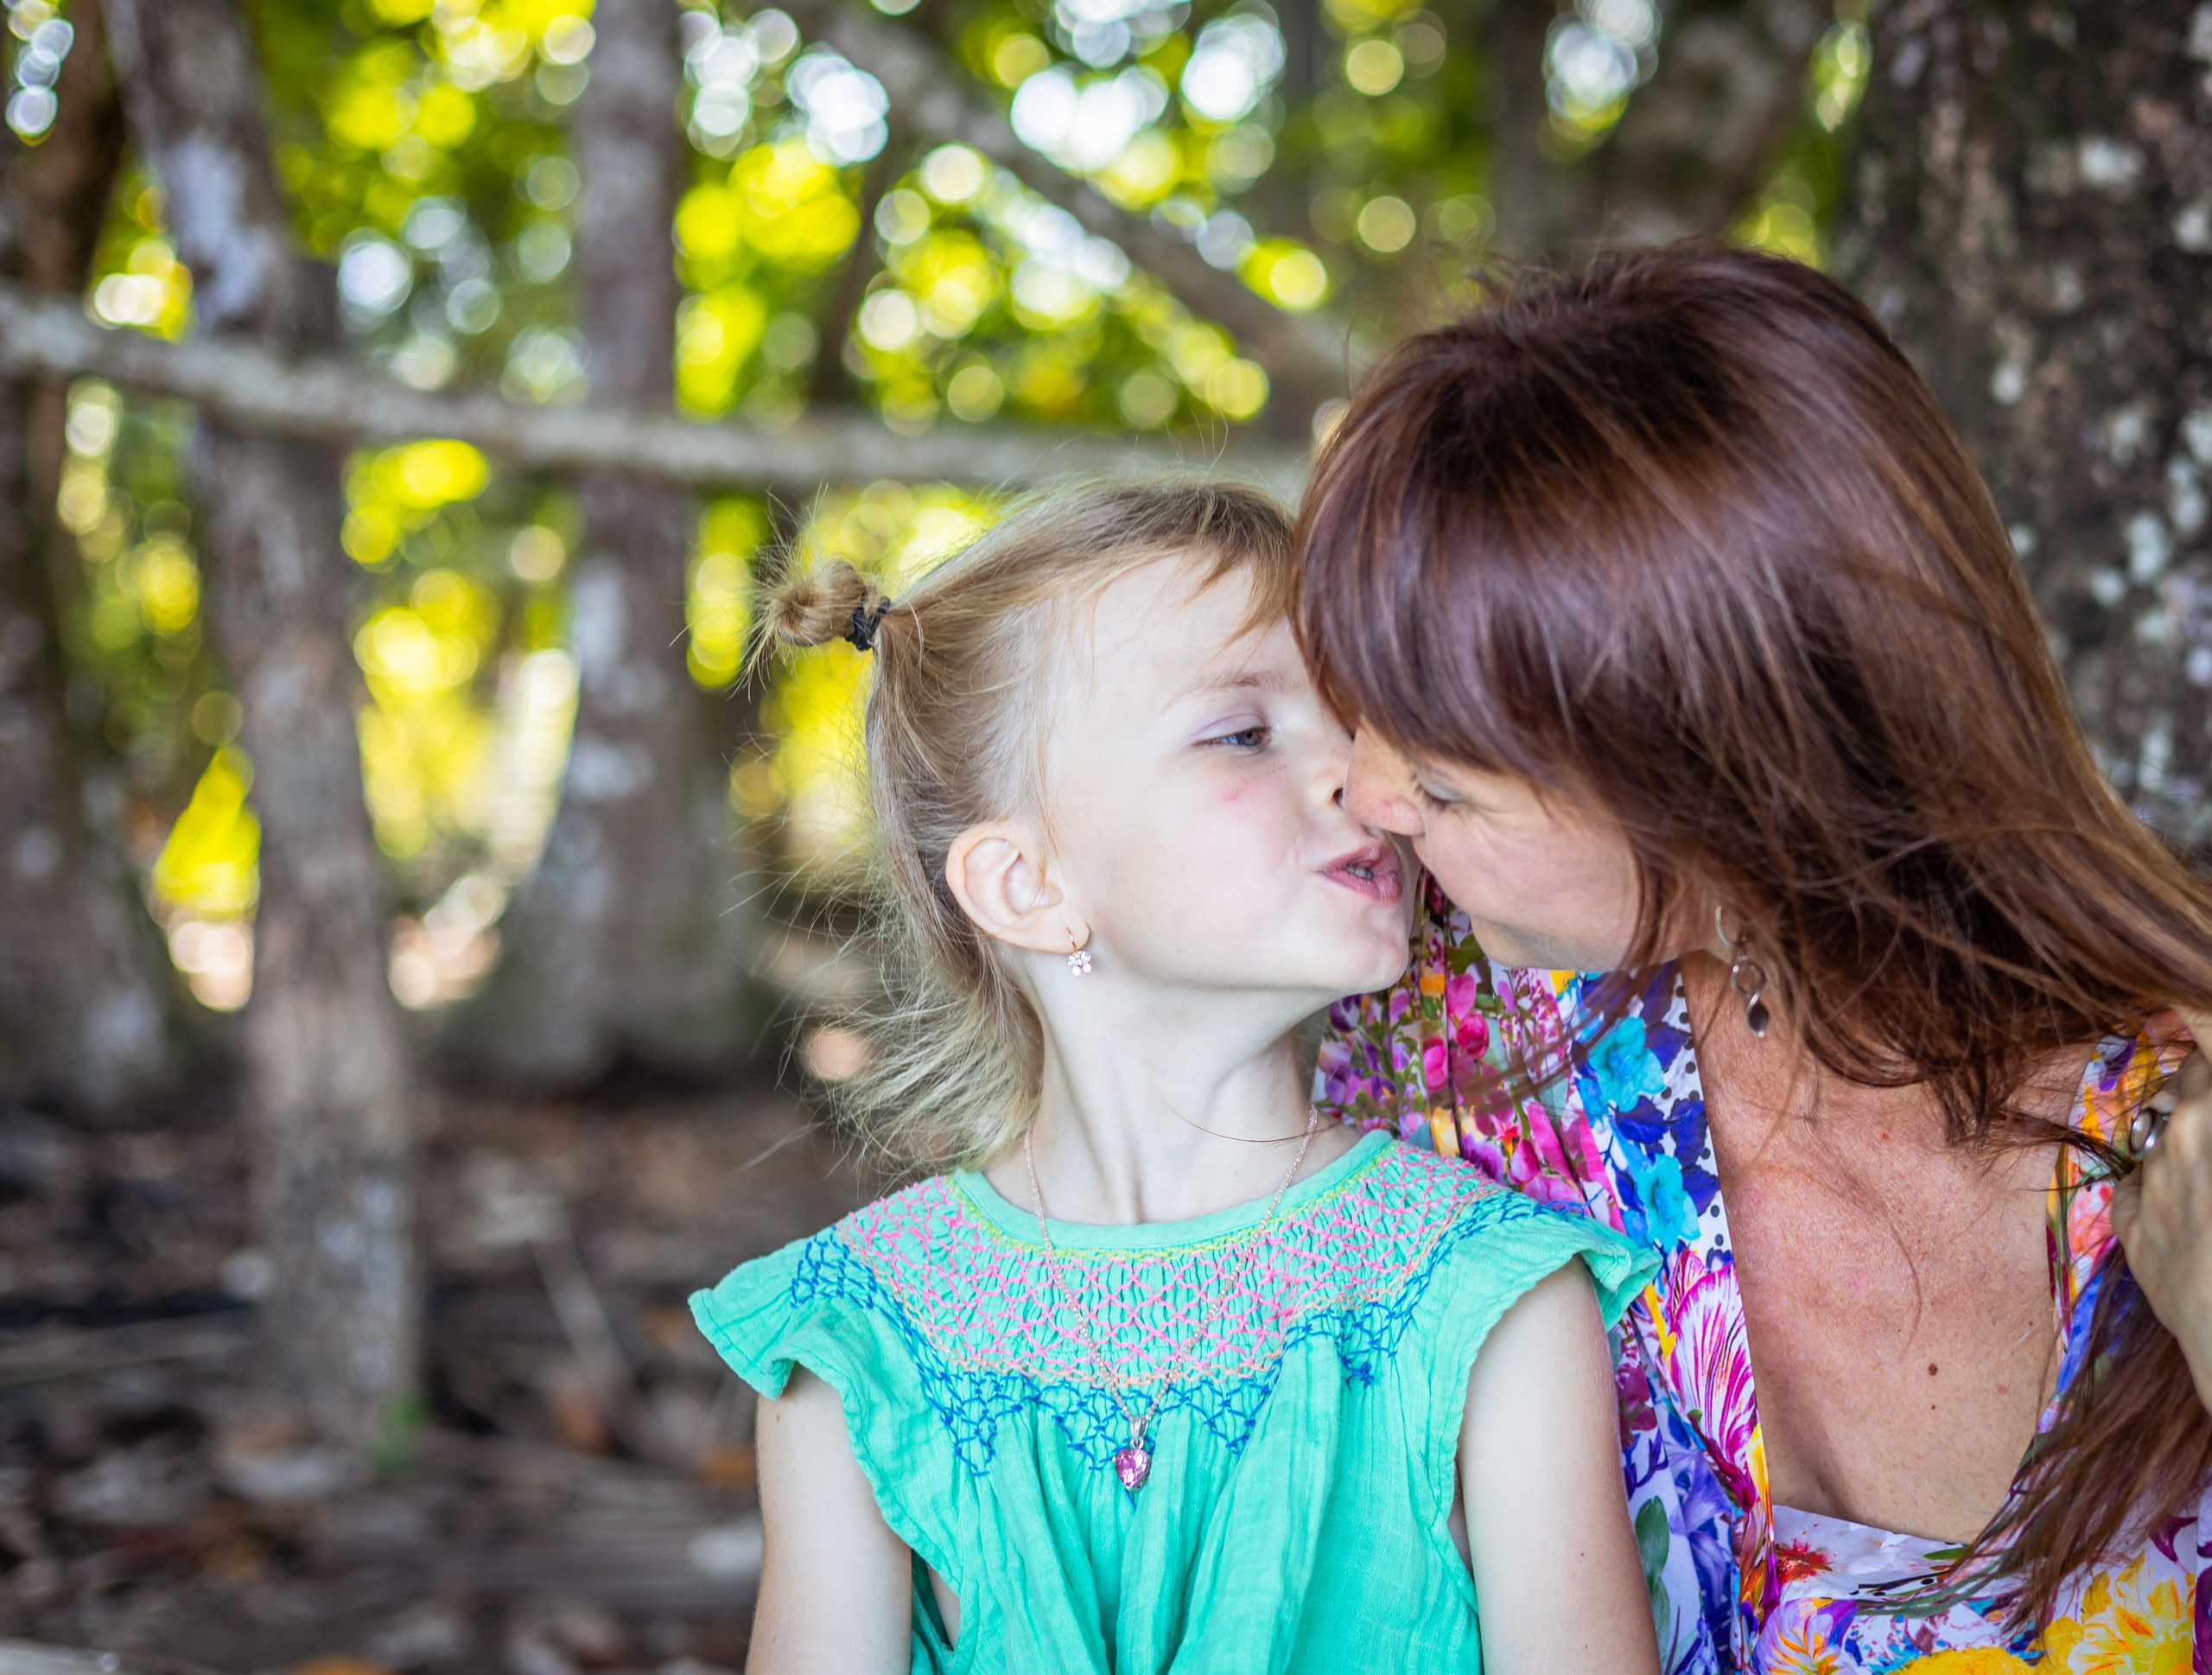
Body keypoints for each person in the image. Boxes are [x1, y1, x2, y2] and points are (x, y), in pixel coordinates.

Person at [1297, 245, 2212, 1673]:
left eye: (1448, 780)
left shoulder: (2177, 1125)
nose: (1365, 797)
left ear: (1724, 780)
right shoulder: (1446, 1055)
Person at [690, 482, 1662, 1672]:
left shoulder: (1489, 1297)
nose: (1364, 780)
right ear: (1028, 887)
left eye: (1356, 721)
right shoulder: (856, 1344)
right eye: (1245, 731)